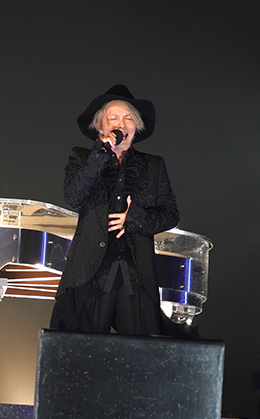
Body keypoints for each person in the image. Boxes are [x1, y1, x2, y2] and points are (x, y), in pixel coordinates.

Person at [50, 84, 197, 337]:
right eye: (114, 118)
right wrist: (100, 154)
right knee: (84, 350)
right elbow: (73, 197)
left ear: (136, 127)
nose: (122, 124)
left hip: (136, 275)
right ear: (100, 127)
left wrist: (135, 218)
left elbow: (171, 214)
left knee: (140, 351)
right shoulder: (82, 157)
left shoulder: (153, 165)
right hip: (90, 274)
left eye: (129, 118)